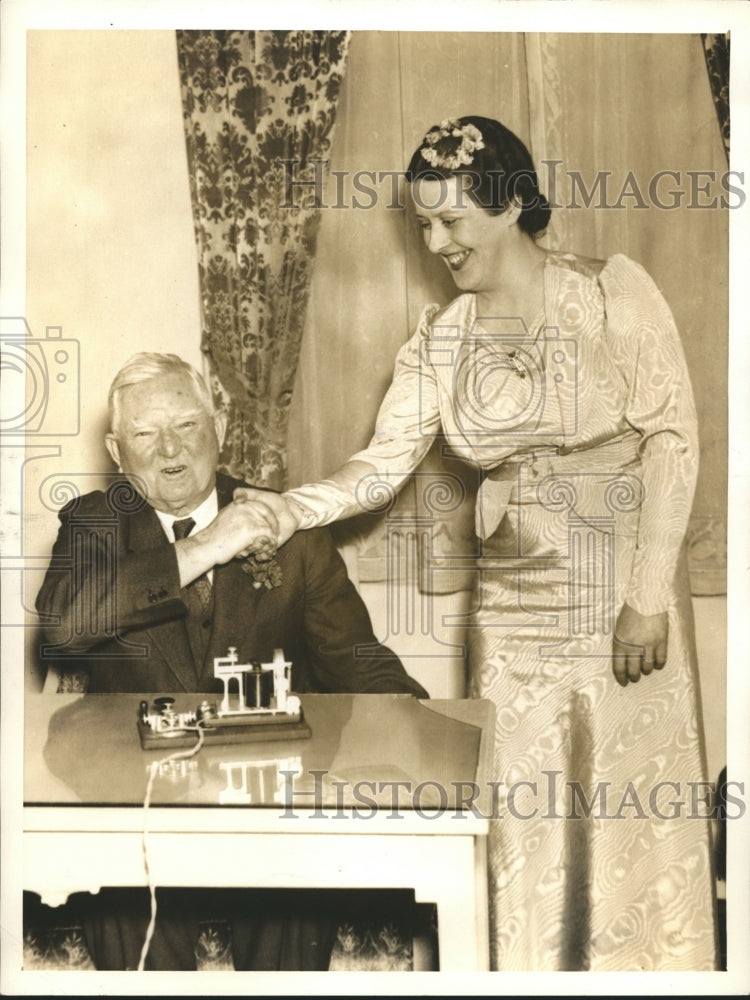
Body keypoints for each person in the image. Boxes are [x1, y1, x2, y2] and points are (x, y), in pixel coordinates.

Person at [235, 116, 719, 971]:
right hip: (515, 608)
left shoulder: (613, 291)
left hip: (624, 599)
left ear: (510, 204)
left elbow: (673, 438)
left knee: (632, 823)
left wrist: (647, 596)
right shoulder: (442, 340)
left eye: (450, 221)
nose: (434, 242)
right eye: (422, 224)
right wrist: (285, 510)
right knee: (522, 826)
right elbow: (378, 467)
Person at [34, 351, 428, 971]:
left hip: (266, 806)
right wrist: (211, 545)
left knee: (292, 893)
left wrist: (431, 731)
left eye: (188, 425)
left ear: (217, 427)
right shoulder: (93, 524)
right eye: (144, 433)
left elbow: (358, 662)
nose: (171, 448)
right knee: (122, 892)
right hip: (136, 810)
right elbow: (63, 625)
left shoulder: (288, 522)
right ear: (117, 452)